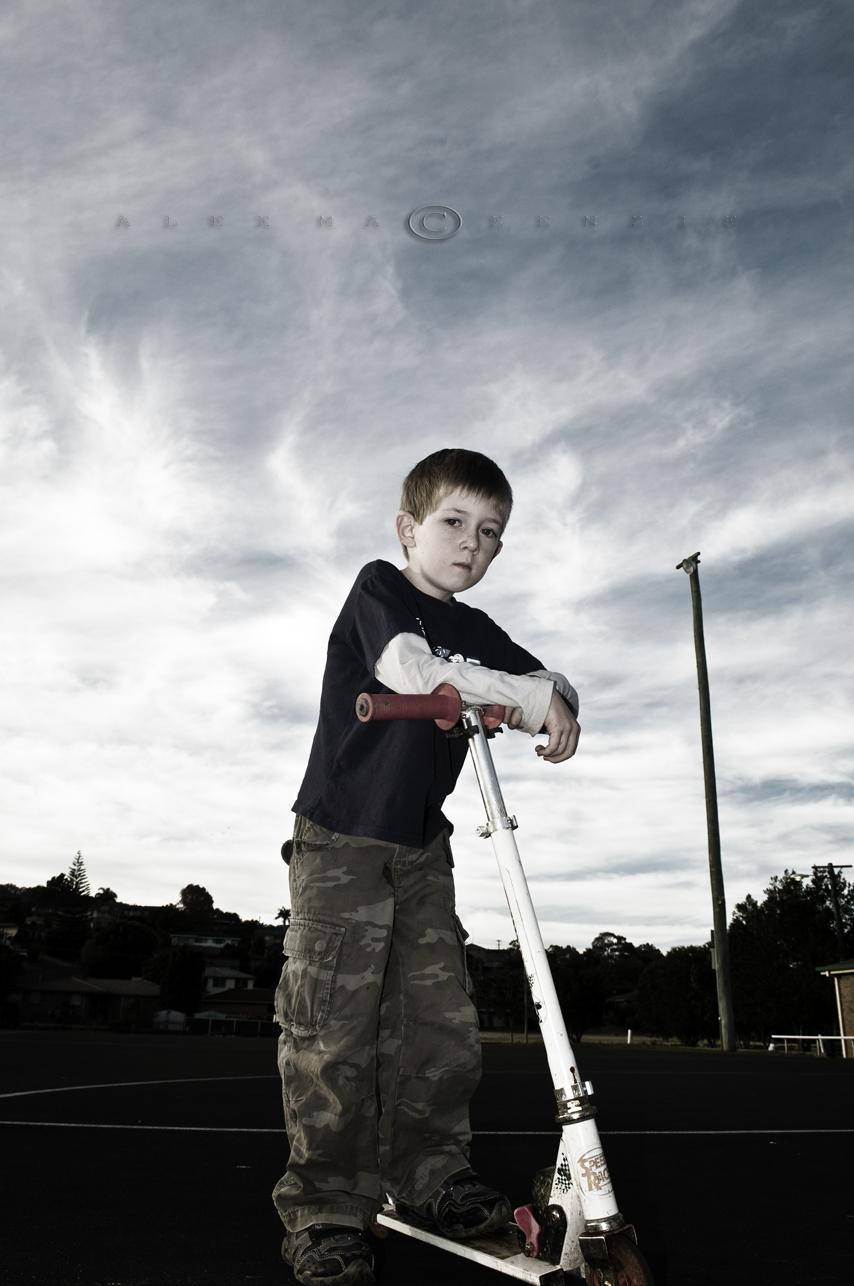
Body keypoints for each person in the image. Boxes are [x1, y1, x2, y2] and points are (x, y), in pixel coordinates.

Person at [272, 448, 580, 1285]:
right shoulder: (382, 590)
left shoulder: (476, 630)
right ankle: (328, 1207)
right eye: (454, 523)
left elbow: (544, 677)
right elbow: (410, 670)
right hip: (342, 839)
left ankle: (431, 1175)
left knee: (441, 1021)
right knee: (332, 1030)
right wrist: (521, 698)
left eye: (491, 534)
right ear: (409, 528)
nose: (472, 545)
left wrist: (558, 698)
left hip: (421, 846)